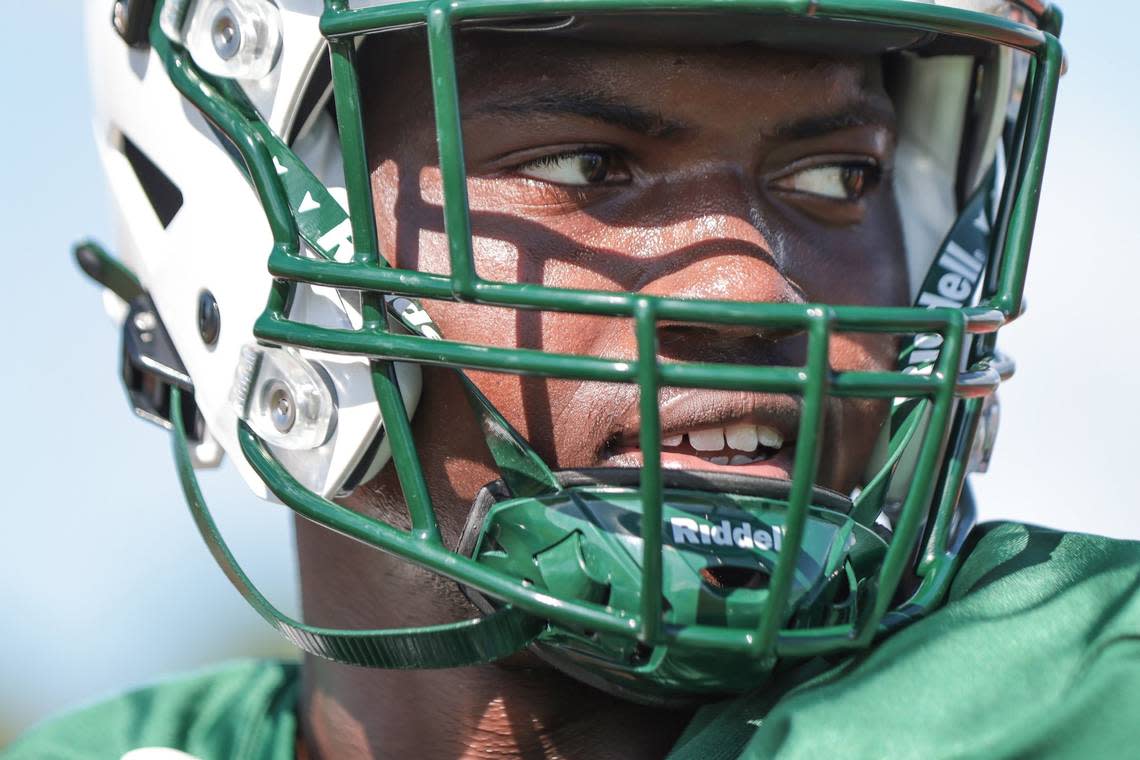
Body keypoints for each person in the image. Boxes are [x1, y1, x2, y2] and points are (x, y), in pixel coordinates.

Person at [9, 0, 1140, 758]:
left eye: (837, 175)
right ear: (251, 234)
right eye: (581, 166)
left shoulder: (1074, 687)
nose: (754, 295)